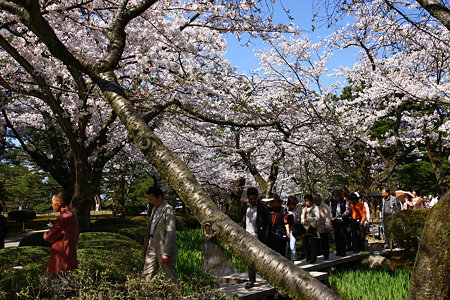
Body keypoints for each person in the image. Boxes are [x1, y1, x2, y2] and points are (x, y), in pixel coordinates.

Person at [143, 186, 178, 283]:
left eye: (152, 199)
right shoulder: (154, 209)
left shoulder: (168, 209)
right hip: (151, 243)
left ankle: (175, 295)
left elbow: (171, 232)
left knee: (169, 274)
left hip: (162, 245)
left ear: (160, 197)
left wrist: (166, 252)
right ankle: (145, 294)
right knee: (147, 272)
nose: (150, 202)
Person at [43, 190, 79, 274]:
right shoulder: (72, 215)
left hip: (61, 257)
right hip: (70, 256)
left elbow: (48, 236)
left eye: (53, 202)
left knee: (57, 282)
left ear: (59, 203)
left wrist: (46, 234)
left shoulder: (63, 217)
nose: (52, 205)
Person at [242, 187, 270, 289]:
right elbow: (243, 221)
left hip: (259, 236)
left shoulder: (262, 207)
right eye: (250, 199)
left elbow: (268, 222)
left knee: (263, 258)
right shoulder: (245, 207)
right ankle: (251, 280)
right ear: (247, 197)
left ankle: (268, 277)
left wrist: (265, 235)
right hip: (248, 236)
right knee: (250, 259)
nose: (252, 200)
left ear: (257, 197)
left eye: (254, 198)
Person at [330, 190, 349, 256]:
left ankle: (343, 251)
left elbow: (348, 209)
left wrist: (344, 214)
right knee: (336, 236)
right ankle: (338, 251)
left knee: (342, 236)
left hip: (342, 221)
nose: (335, 198)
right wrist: (331, 217)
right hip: (335, 221)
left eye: (336, 197)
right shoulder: (331, 202)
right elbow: (330, 210)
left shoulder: (344, 201)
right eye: (334, 197)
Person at [301, 194, 319, 263]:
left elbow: (317, 217)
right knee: (306, 243)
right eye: (305, 201)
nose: (307, 202)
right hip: (305, 228)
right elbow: (302, 218)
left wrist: (309, 219)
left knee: (313, 243)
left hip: (313, 227)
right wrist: (303, 221)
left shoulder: (315, 208)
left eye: (308, 201)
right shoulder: (304, 209)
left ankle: (313, 258)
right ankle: (308, 256)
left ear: (311, 201)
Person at [313, 194, 331, 260]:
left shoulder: (325, 206)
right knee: (316, 243)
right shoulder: (313, 207)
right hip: (316, 228)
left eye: (318, 200)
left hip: (323, 227)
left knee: (325, 243)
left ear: (320, 199)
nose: (317, 202)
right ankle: (315, 256)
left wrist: (327, 226)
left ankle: (326, 256)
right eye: (315, 200)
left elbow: (327, 217)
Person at [285, 195, 301, 261]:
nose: (294, 206)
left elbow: (298, 219)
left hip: (293, 229)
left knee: (292, 246)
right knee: (286, 246)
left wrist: (297, 221)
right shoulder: (285, 209)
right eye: (292, 204)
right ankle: (285, 261)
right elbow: (285, 221)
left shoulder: (296, 209)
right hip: (286, 229)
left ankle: (293, 261)